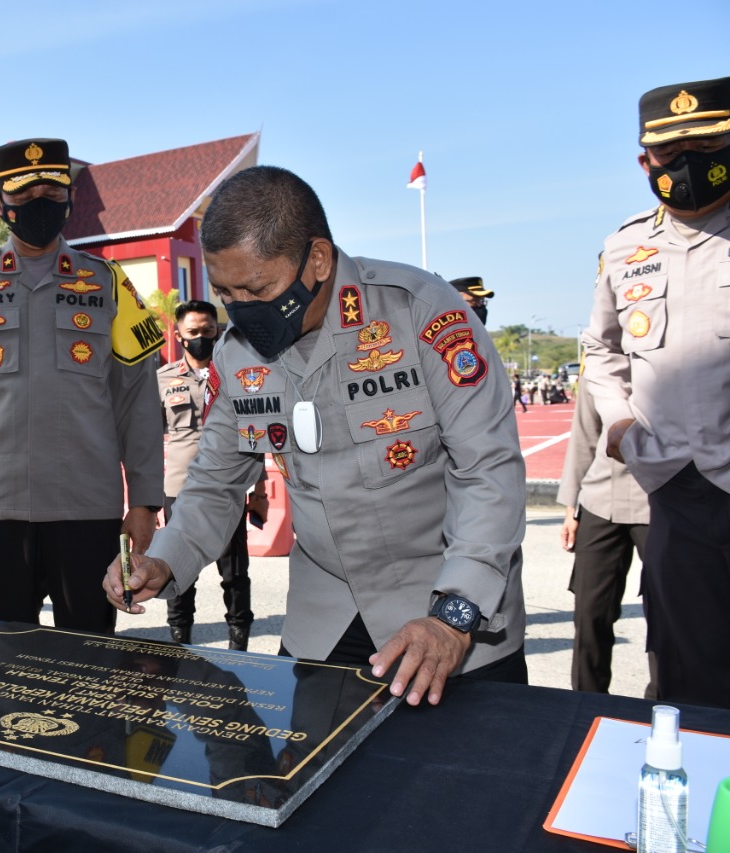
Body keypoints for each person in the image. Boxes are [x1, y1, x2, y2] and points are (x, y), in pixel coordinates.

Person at [104, 165, 528, 707]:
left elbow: (488, 470)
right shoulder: (239, 355)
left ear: (318, 260)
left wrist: (456, 613)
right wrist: (164, 560)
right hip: (323, 624)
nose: (242, 310)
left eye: (257, 289)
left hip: (441, 618)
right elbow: (214, 483)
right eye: (226, 293)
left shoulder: (421, 314)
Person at [0, 137, 165, 633]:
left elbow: (138, 403)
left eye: (54, 195)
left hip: (88, 512)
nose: (41, 205)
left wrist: (143, 504)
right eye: (26, 196)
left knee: (89, 664)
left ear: (70, 199)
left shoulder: (109, 283)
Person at [581, 75, 730, 709]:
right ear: (645, 160)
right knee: (687, 679)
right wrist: (618, 426)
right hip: (677, 487)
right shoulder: (624, 247)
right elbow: (601, 348)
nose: (687, 162)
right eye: (670, 152)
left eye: (706, 143)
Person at [157, 299, 266, 650]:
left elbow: (256, 435)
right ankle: (179, 645)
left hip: (227, 488)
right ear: (179, 335)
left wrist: (260, 492)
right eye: (193, 332)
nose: (201, 337)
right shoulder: (161, 380)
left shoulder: (239, 376)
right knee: (177, 570)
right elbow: (144, 439)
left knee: (234, 574)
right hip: (178, 488)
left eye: (208, 330)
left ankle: (239, 645)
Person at [556, 374, 653, 695]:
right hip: (601, 497)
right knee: (590, 613)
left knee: (669, 616)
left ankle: (667, 706)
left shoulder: (675, 360)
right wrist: (571, 508)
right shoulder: (599, 370)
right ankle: (587, 704)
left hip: (659, 499)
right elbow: (584, 437)